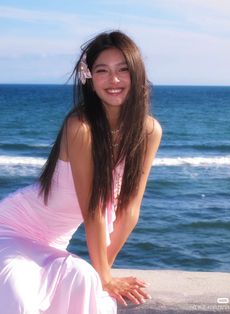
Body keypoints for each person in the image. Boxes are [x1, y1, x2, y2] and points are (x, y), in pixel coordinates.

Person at [0, 30, 162, 313]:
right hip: (11, 231)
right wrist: (105, 276)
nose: (114, 80)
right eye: (103, 71)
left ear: (136, 74)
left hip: (52, 246)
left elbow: (129, 211)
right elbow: (94, 210)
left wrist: (104, 273)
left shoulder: (149, 131)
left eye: (123, 70)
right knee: (20, 302)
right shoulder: (81, 127)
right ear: (90, 78)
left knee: (86, 280)